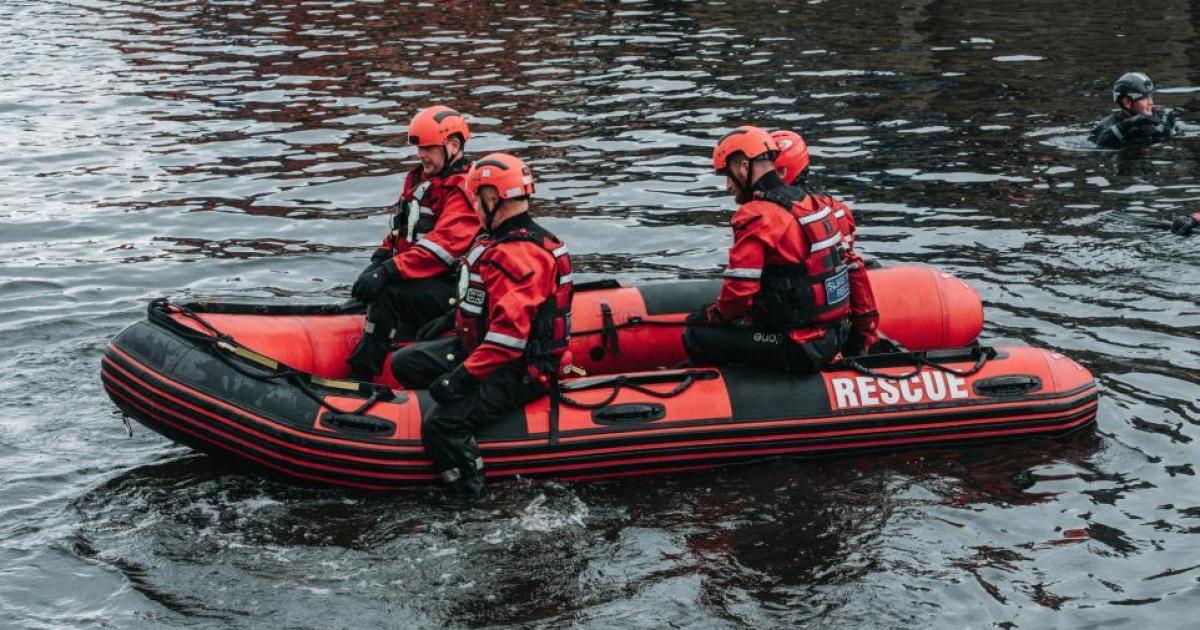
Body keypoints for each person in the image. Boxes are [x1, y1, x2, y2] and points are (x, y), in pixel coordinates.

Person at [389, 153, 573, 505]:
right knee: (405, 363)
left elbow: (508, 341)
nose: (472, 204)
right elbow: (483, 300)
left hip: (518, 370)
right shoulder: (501, 239)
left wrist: (460, 379)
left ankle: (470, 497)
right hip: (482, 352)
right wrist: (449, 321)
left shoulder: (517, 254)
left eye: (476, 197)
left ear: (492, 199)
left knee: (442, 424)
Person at [682, 125, 858, 373]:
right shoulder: (814, 203)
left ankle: (738, 399)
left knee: (696, 335)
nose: (727, 187)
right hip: (834, 335)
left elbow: (740, 290)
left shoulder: (758, 215)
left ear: (744, 167)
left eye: (727, 175)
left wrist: (713, 316)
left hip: (798, 345)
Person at [346, 105, 481, 381]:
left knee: (388, 292)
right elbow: (403, 230)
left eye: (428, 149)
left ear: (453, 146)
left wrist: (387, 272)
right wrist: (379, 258)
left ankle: (363, 372)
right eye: (419, 149)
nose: (421, 155)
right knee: (378, 286)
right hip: (424, 279)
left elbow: (441, 249)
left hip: (453, 289)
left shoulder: (462, 189)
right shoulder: (421, 180)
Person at [771, 130, 879, 355]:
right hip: (830, 322)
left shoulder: (773, 216)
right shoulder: (834, 209)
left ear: (781, 172)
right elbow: (852, 267)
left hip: (804, 328)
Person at [1089, 72, 1179, 149]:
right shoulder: (1107, 124)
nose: (1151, 103)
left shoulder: (1160, 116)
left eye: (1151, 97)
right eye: (1144, 98)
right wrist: (1128, 125)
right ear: (1127, 102)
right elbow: (1099, 143)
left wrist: (1167, 125)